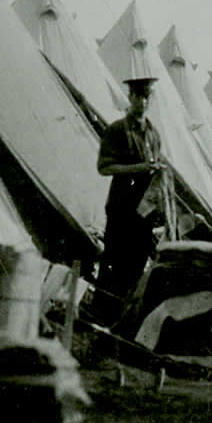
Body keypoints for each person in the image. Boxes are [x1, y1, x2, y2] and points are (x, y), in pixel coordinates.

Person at [89, 69, 173, 339]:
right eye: (138, 97)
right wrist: (139, 167)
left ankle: (125, 320)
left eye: (147, 97)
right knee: (113, 259)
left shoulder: (153, 134)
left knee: (136, 264)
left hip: (144, 210)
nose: (143, 102)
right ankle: (102, 316)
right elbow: (104, 167)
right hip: (121, 204)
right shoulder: (117, 130)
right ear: (130, 98)